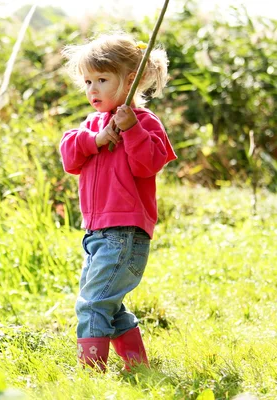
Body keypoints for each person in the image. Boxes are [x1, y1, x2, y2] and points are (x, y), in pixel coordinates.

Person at [58, 33, 177, 372]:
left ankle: (90, 372)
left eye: (102, 80)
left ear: (129, 81)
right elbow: (70, 158)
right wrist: (97, 138)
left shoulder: (146, 122)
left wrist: (132, 129)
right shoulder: (92, 124)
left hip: (124, 233)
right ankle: (137, 367)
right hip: (96, 233)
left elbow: (148, 164)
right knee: (108, 304)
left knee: (93, 303)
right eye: (88, 81)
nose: (92, 89)